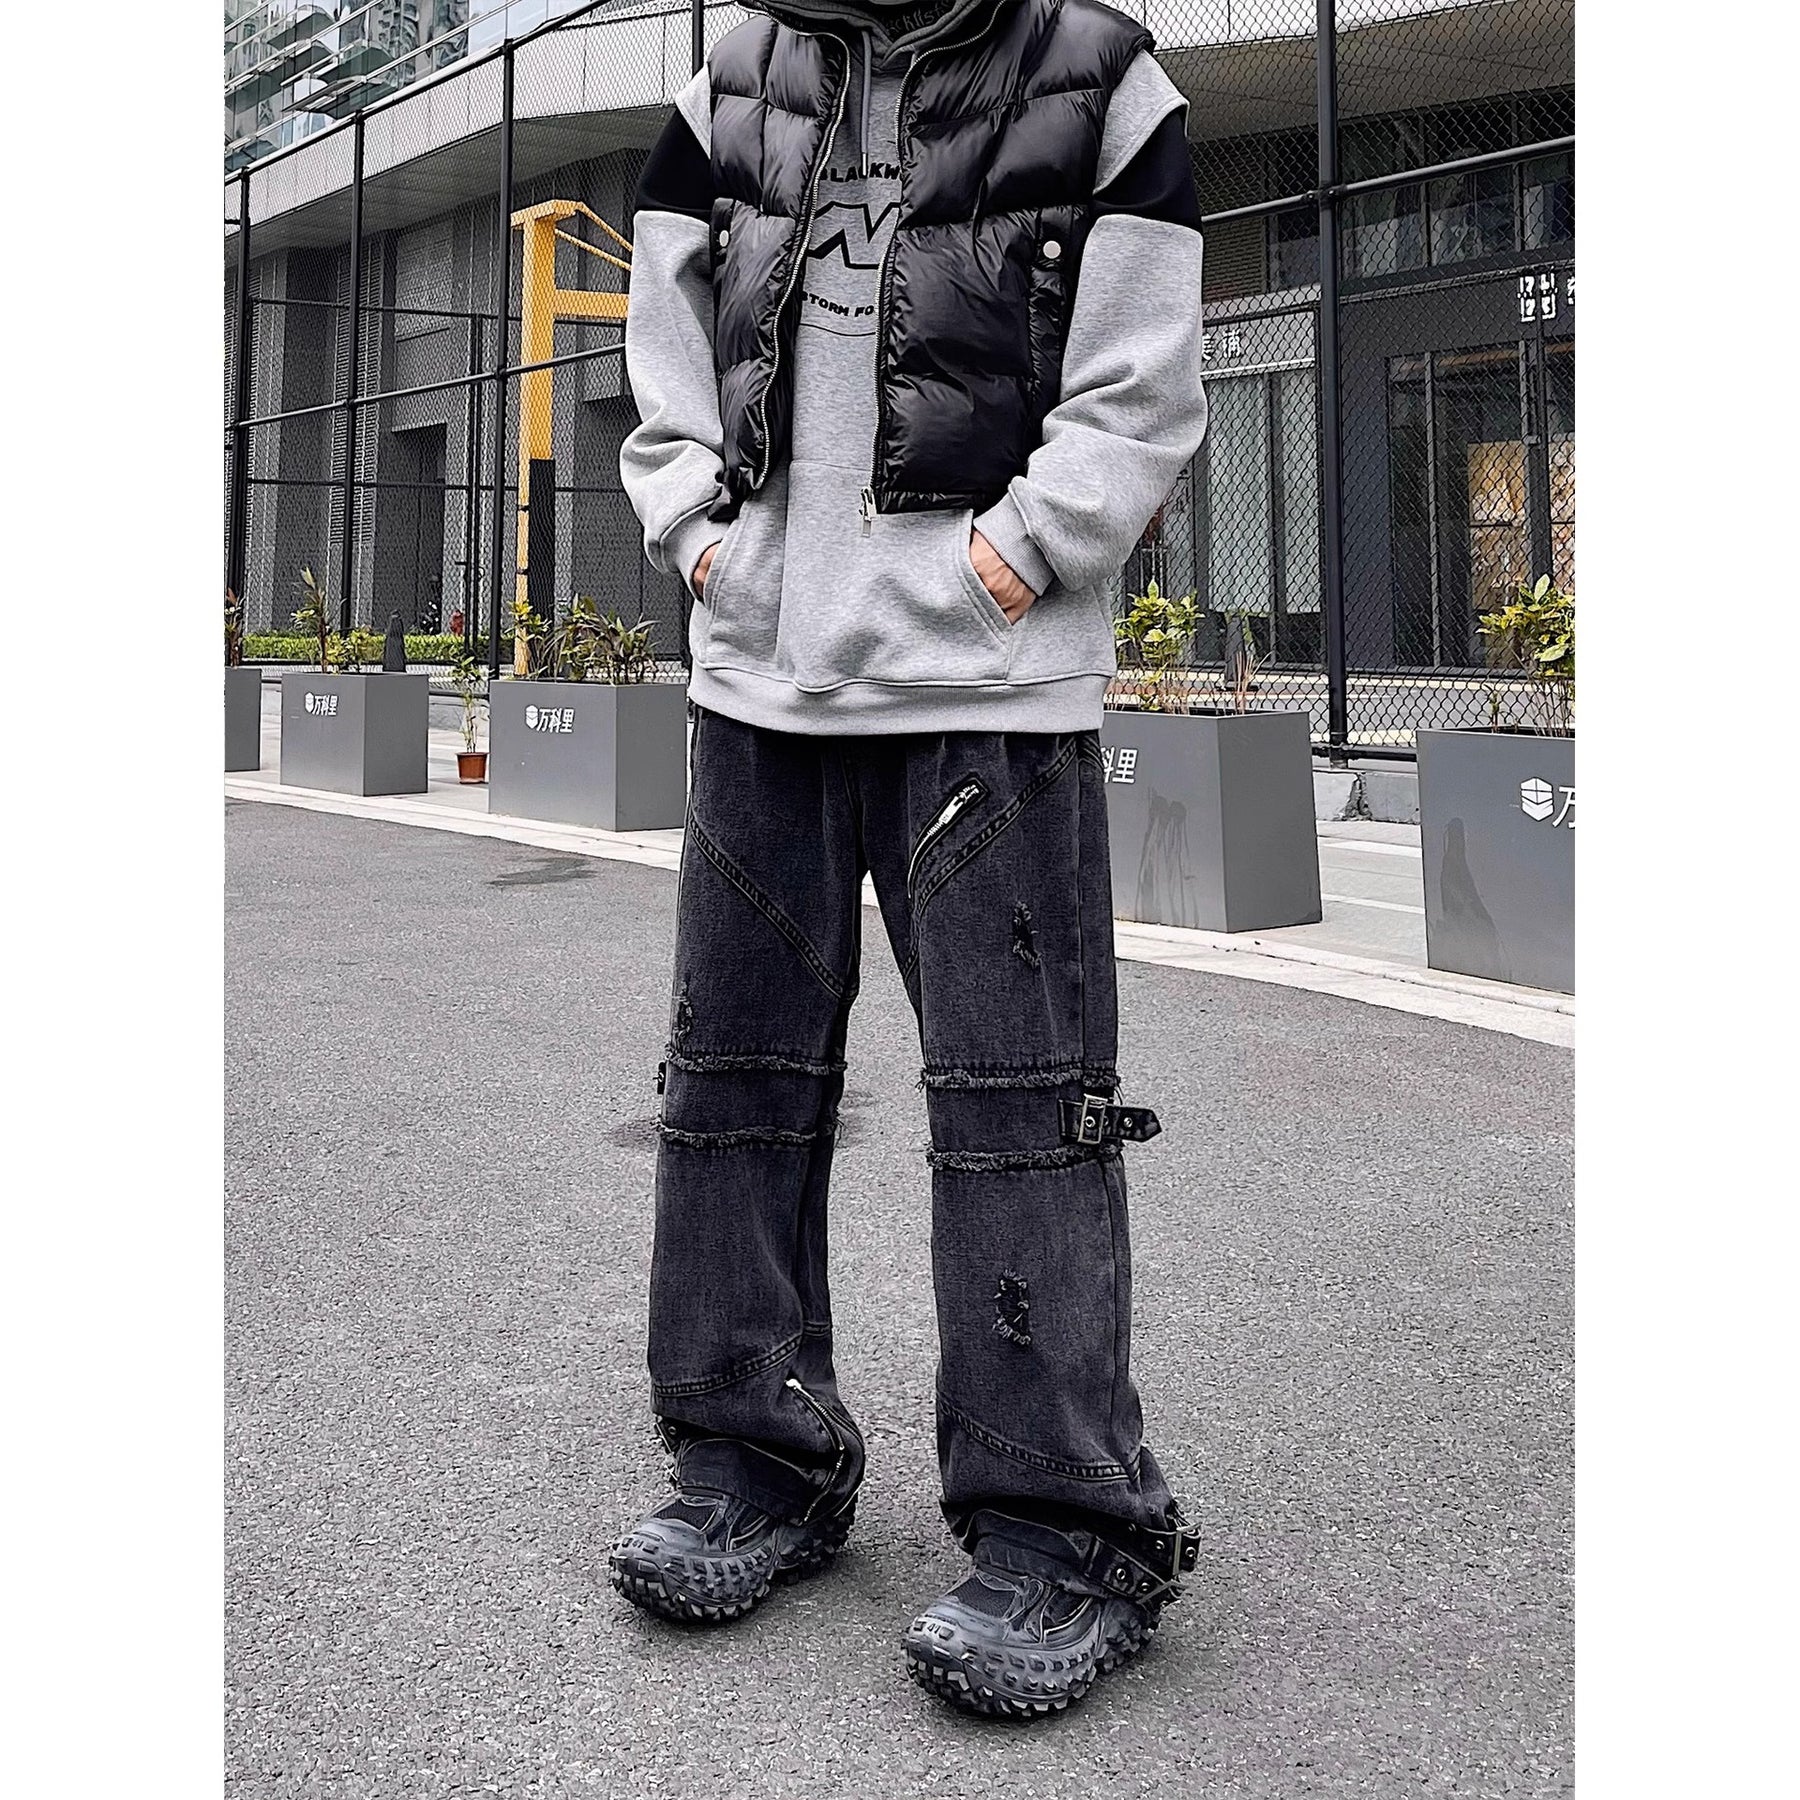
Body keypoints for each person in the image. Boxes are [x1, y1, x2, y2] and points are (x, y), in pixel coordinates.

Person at [614, 0, 1207, 1718]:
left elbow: (1141, 375)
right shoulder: (731, 79)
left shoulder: (1097, 73)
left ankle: (1068, 1529)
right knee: (727, 1092)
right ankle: (752, 1455)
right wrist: (701, 539)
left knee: (1023, 1113)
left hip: (989, 691)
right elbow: (667, 332)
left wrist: (1015, 560)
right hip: (759, 680)